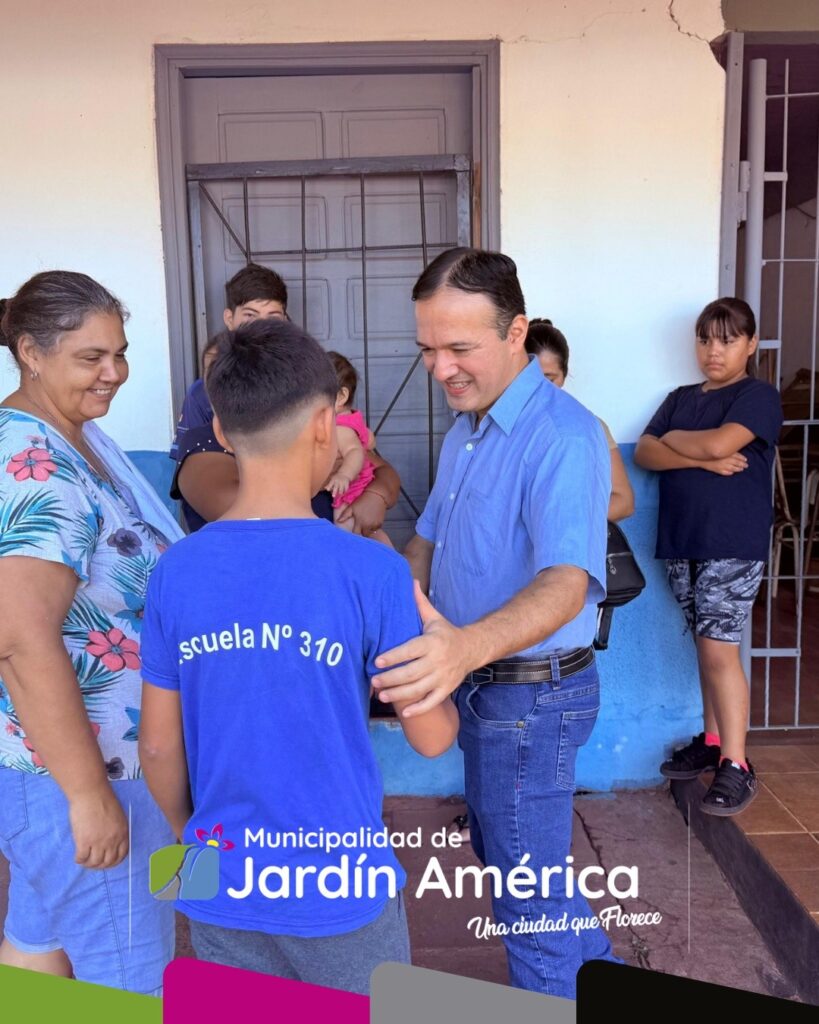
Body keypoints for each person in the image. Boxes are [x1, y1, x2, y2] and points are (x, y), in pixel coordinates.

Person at [139, 318, 458, 995]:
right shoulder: (371, 568)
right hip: (341, 888)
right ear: (325, 422)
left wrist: (186, 839)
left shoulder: (175, 570)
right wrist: (439, 651)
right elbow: (432, 738)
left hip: (218, 874)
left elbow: (160, 751)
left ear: (222, 433)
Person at [370, 248, 618, 999]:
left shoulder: (562, 436)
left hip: (530, 697)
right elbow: (427, 542)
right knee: (514, 858)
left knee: (524, 895)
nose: (439, 368)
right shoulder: (467, 431)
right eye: (427, 350)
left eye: (459, 348)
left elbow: (566, 584)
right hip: (488, 691)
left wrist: (460, 649)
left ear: (516, 333)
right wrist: (388, 608)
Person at [0, 271, 183, 993]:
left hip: (58, 769)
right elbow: (18, 637)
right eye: (90, 357)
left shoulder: (65, 440)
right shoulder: (35, 466)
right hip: (84, 770)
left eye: (120, 352)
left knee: (38, 956)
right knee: (129, 982)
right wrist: (87, 796)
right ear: (30, 353)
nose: (113, 373)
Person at [634, 298, 783, 815]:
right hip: (683, 540)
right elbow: (644, 452)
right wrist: (686, 449)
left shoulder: (758, 396)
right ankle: (714, 740)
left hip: (730, 542)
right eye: (705, 339)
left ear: (750, 344)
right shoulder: (679, 397)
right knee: (707, 646)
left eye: (726, 340)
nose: (713, 350)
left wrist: (678, 443)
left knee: (720, 649)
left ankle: (737, 765)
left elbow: (726, 442)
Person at [170, 263, 401, 537]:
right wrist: (323, 473)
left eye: (273, 317)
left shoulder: (305, 396)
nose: (262, 326)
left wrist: (376, 495)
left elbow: (378, 467)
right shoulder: (202, 423)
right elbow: (254, 520)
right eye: (250, 315)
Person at [525, 319, 634, 522]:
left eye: (550, 379)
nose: (541, 388)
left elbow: (623, 501)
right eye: (531, 378)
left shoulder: (590, 426)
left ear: (564, 375)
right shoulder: (502, 427)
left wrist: (567, 525)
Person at [325, 351, 392, 547]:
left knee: (344, 527)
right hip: (360, 486)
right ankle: (387, 553)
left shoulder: (340, 428)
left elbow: (355, 452)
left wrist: (344, 475)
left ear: (341, 396)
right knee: (370, 533)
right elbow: (369, 442)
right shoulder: (350, 418)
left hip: (351, 490)